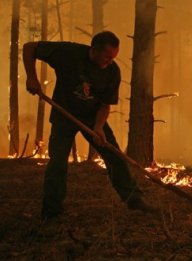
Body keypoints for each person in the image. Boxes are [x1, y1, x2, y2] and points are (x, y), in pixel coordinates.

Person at [23, 31, 156, 220]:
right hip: (64, 114)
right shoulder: (69, 53)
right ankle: (51, 210)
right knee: (58, 162)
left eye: (113, 57)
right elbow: (30, 47)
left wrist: (99, 127)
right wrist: (31, 77)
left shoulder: (112, 71)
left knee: (114, 156)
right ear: (94, 50)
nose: (110, 61)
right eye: (107, 57)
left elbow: (105, 104)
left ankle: (134, 200)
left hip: (92, 118)